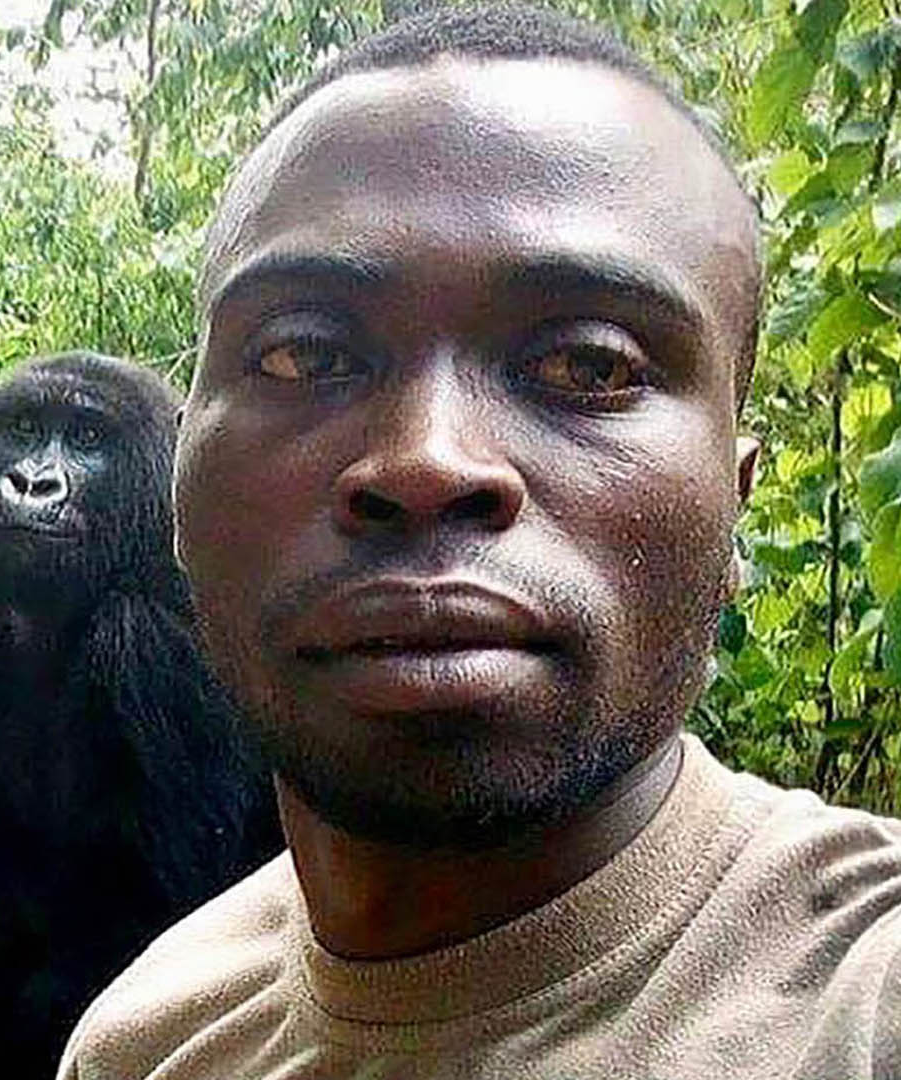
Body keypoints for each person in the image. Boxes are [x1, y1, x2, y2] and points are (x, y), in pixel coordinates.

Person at [58, 6, 901, 1079]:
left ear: (734, 509)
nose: (426, 461)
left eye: (590, 366)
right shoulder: (149, 1044)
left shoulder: (866, 996)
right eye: (301, 355)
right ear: (181, 494)